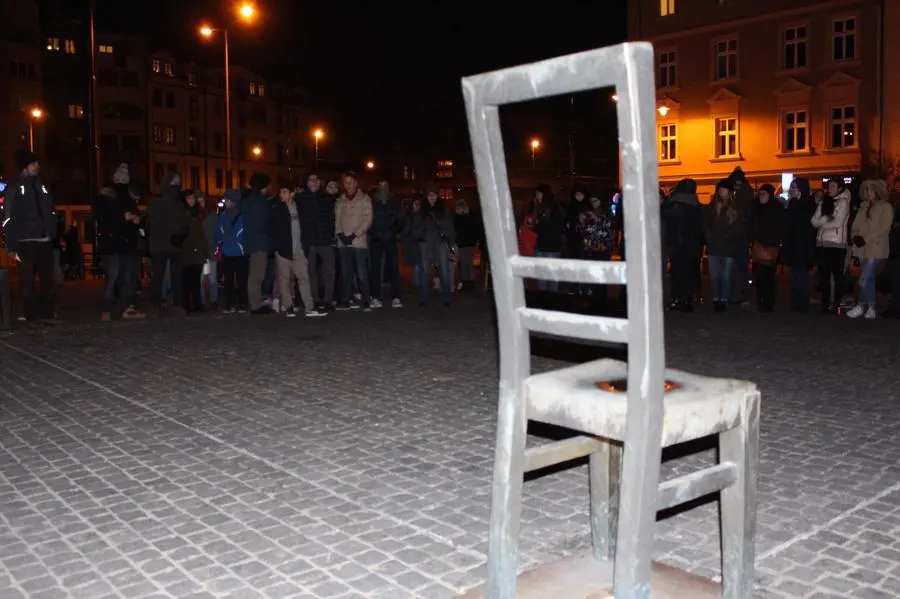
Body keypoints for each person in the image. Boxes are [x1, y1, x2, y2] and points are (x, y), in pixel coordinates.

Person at [1, 149, 58, 321]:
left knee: (49, 279)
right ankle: (29, 313)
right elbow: (7, 217)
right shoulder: (14, 187)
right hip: (25, 241)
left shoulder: (43, 186)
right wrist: (11, 244)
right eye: (34, 163)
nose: (37, 166)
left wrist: (52, 230)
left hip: (44, 239)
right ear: (25, 166)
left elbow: (50, 210)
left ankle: (46, 311)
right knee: (27, 281)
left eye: (37, 163)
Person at [94, 163, 144, 321]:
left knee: (128, 278)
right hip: (113, 243)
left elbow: (134, 214)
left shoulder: (128, 196)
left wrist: (136, 220)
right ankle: (106, 309)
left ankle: (127, 307)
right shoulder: (106, 196)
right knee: (114, 276)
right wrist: (123, 217)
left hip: (128, 242)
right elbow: (102, 217)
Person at [846, 179, 893, 319]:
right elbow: (855, 226)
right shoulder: (863, 207)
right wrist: (855, 237)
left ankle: (861, 305)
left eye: (871, 190)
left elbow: (884, 228)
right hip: (862, 248)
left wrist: (865, 238)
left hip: (876, 247)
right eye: (867, 190)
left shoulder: (886, 207)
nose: (868, 193)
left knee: (864, 277)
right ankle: (870, 307)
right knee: (869, 277)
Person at [270, 186, 320, 317]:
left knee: (304, 278)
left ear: (291, 194)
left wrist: (305, 247)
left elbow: (306, 228)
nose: (281, 194)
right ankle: (288, 306)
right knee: (284, 280)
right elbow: (272, 230)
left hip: (299, 250)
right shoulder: (277, 209)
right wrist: (276, 249)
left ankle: (309, 307)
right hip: (283, 251)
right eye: (280, 192)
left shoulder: (300, 209)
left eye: (284, 192)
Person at [704, 179, 747, 312]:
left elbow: (738, 227)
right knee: (715, 275)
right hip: (714, 246)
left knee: (726, 276)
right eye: (720, 189)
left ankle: (724, 300)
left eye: (724, 189)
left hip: (728, 247)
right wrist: (709, 237)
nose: (722, 191)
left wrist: (728, 237)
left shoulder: (735, 208)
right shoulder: (712, 207)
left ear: (729, 192)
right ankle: (716, 299)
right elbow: (705, 223)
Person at [147, 170, 188, 309]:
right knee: (159, 275)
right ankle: (158, 301)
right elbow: (152, 222)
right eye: (174, 181)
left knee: (176, 276)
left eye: (178, 182)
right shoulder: (158, 201)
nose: (177, 184)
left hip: (173, 244)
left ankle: (176, 301)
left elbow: (184, 222)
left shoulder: (177, 202)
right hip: (163, 243)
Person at [296, 172, 336, 313]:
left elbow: (332, 217)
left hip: (325, 239)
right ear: (307, 183)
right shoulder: (301, 198)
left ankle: (328, 300)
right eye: (310, 180)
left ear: (319, 182)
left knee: (329, 271)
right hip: (310, 241)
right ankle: (315, 299)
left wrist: (331, 234)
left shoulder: (327, 198)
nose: (313, 183)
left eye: (315, 180)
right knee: (311, 272)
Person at [811, 176, 851, 314]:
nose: (831, 189)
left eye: (834, 186)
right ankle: (825, 304)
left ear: (840, 188)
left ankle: (837, 304)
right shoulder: (824, 202)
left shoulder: (843, 202)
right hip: (822, 243)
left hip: (836, 244)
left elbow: (838, 223)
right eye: (830, 186)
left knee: (837, 275)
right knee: (824, 276)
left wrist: (822, 223)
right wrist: (825, 219)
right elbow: (814, 221)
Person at [334, 172, 373, 311]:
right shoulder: (340, 200)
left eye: (351, 182)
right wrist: (340, 234)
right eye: (346, 182)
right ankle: (346, 299)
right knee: (346, 273)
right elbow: (337, 219)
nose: (348, 185)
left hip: (358, 242)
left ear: (356, 183)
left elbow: (367, 220)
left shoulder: (365, 199)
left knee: (362, 273)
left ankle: (366, 300)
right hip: (343, 242)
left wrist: (355, 235)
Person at [662, 178, 702, 312]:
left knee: (677, 274)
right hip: (692, 245)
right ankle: (687, 300)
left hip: (678, 244)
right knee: (689, 273)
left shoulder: (676, 203)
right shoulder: (696, 204)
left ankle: (677, 299)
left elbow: (665, 215)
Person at [413, 187, 455, 307]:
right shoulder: (421, 210)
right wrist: (421, 234)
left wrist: (449, 240)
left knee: (444, 271)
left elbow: (449, 226)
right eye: (429, 195)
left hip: (440, 243)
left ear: (437, 196)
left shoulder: (443, 209)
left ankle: (446, 298)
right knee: (424, 271)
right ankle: (423, 298)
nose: (432, 197)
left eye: (434, 195)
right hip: (425, 243)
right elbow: (416, 227)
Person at [368, 177, 405, 307]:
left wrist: (393, 231)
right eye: (381, 185)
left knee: (394, 268)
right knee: (375, 269)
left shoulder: (395, 202)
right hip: (376, 239)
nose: (383, 188)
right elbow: (368, 219)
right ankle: (376, 296)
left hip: (390, 238)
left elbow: (401, 219)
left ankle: (396, 296)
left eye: (385, 186)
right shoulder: (372, 202)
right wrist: (373, 232)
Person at [783, 178, 817, 312]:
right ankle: (796, 302)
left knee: (801, 276)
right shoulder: (792, 204)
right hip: (792, 244)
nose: (792, 190)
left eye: (795, 188)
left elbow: (806, 226)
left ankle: (802, 303)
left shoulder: (807, 204)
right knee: (793, 276)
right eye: (792, 188)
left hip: (803, 245)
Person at [241, 173, 273, 314]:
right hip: (260, 241)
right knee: (257, 274)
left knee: (255, 273)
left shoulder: (247, 200)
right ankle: (255, 304)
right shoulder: (261, 202)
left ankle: (255, 302)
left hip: (250, 240)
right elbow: (264, 223)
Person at [750, 184, 785, 313]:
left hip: (771, 246)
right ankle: (761, 301)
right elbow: (752, 225)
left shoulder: (776, 209)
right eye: (760, 194)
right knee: (759, 276)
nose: (761, 196)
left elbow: (780, 228)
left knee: (769, 276)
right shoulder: (756, 208)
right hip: (758, 245)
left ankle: (769, 303)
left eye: (764, 194)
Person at [216, 190, 248, 314]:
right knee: (229, 280)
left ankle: (240, 303)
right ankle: (231, 304)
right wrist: (221, 243)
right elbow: (218, 233)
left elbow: (243, 233)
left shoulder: (241, 216)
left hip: (238, 252)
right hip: (229, 252)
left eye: (227, 199)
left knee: (240, 280)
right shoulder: (223, 216)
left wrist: (237, 244)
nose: (226, 202)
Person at [532, 184, 566, 292]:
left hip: (552, 248)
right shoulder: (540, 207)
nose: (537, 196)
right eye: (536, 193)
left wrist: (539, 226)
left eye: (539, 193)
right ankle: (545, 302)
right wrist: (535, 226)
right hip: (542, 246)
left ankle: (550, 302)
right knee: (543, 278)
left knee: (551, 278)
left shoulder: (554, 208)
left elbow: (557, 227)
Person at [181, 191, 209, 314]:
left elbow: (201, 234)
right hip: (188, 249)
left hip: (198, 249)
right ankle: (188, 305)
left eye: (193, 198)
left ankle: (197, 304)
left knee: (196, 280)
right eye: (189, 198)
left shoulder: (199, 213)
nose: (191, 200)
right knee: (187, 280)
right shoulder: (183, 213)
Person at [453, 199, 481, 292]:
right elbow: (476, 230)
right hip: (470, 244)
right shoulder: (472, 217)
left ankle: (466, 285)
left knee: (464, 265)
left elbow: (456, 232)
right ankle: (470, 284)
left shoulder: (458, 219)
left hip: (462, 244)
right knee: (469, 264)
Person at [199, 193, 220, 309]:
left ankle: (214, 300)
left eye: (201, 199)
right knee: (200, 278)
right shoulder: (195, 215)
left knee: (212, 277)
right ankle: (202, 301)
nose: (200, 202)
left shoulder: (212, 216)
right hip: (199, 250)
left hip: (210, 249)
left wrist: (216, 245)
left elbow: (216, 233)